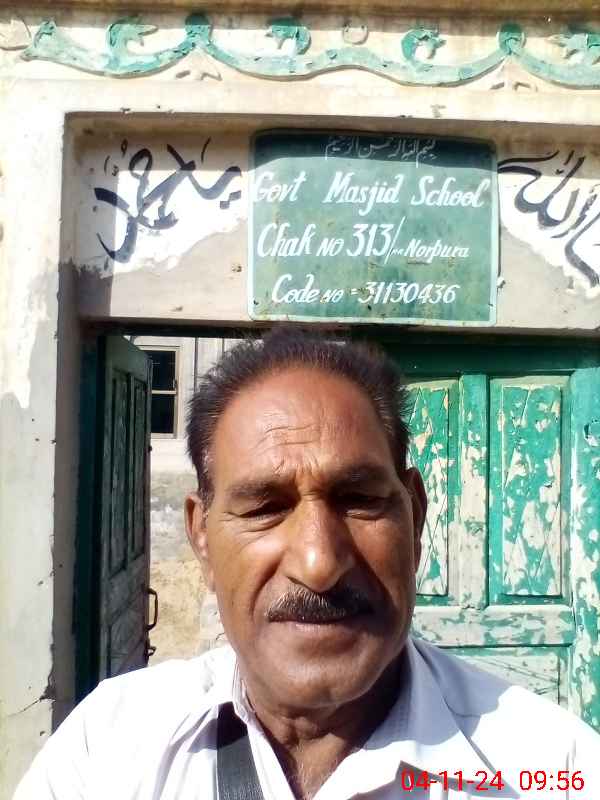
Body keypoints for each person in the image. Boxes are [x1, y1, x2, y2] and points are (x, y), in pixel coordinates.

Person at [15, 328, 600, 799]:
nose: (319, 564)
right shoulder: (108, 750)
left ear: (416, 518)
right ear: (202, 537)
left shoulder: (555, 768)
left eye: (359, 499)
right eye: (265, 508)